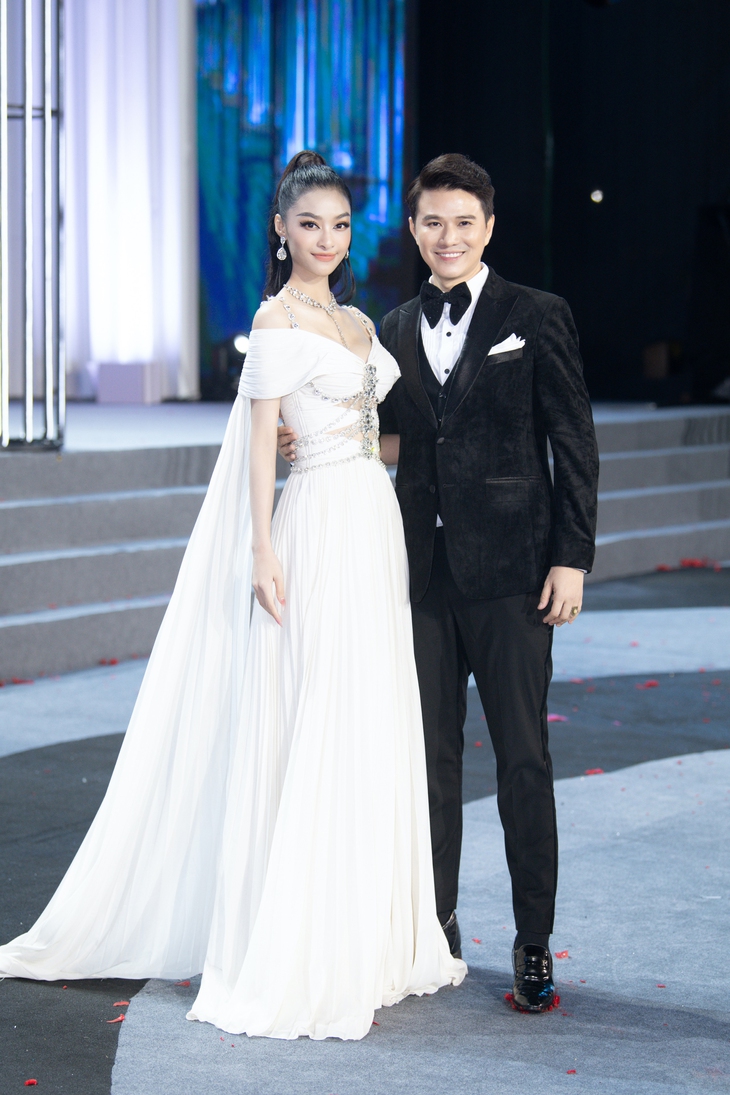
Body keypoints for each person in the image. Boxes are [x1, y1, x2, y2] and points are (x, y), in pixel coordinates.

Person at [0, 151, 465, 1040]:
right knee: (311, 707)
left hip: (372, 522)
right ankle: (300, 936)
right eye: (309, 224)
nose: (326, 239)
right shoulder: (274, 319)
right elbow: (261, 444)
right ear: (280, 230)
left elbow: (371, 437)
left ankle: (369, 930)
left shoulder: (359, 320)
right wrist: (261, 546)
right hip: (313, 524)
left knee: (365, 709)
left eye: (339, 224)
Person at [280, 153, 600, 1013]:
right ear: (415, 230)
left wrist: (571, 556)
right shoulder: (387, 327)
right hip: (415, 575)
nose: (448, 237)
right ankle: (435, 925)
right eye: (432, 222)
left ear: (488, 227)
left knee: (523, 758)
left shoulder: (537, 315)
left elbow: (573, 441)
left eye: (463, 222)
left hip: (514, 576)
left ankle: (533, 941)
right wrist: (306, 437)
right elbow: (390, 438)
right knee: (427, 760)